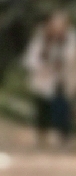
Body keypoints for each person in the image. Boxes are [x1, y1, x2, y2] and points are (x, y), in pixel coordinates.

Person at [23, 9, 76, 145]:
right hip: (43, 80)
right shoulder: (41, 39)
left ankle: (63, 136)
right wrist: (42, 67)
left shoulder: (71, 39)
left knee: (62, 109)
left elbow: (72, 57)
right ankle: (42, 135)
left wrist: (62, 62)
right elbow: (30, 59)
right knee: (42, 110)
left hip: (62, 80)